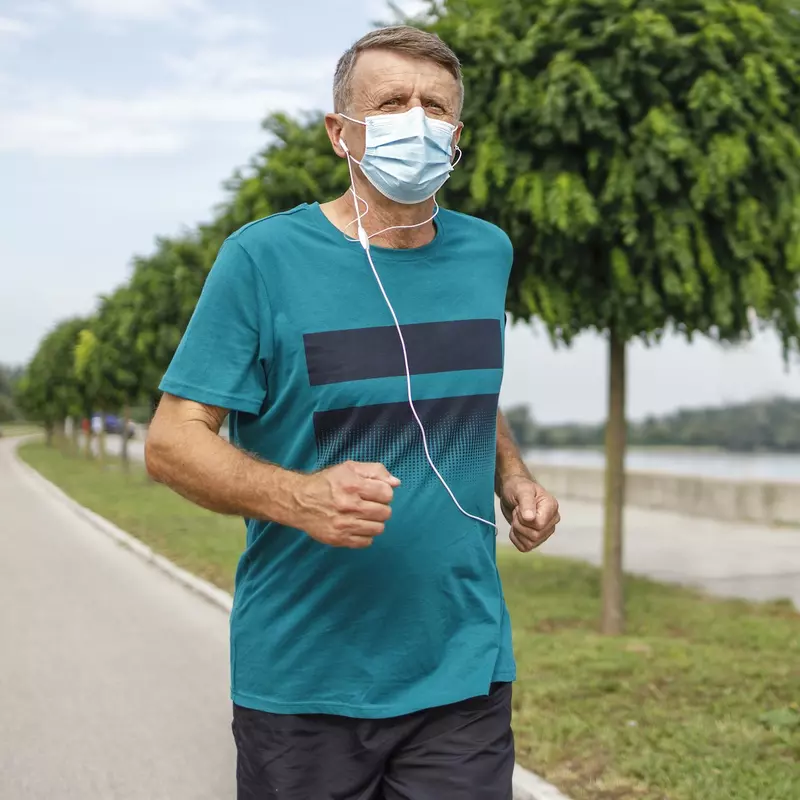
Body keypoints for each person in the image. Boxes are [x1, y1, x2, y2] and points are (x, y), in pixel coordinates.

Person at [146, 25, 560, 800]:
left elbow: (465, 384)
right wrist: (298, 497)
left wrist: (514, 478)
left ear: (458, 135)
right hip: (305, 682)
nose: (417, 120)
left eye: (434, 106)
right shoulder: (261, 259)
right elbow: (171, 443)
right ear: (342, 132)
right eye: (392, 102)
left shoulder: (487, 253)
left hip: (462, 670)